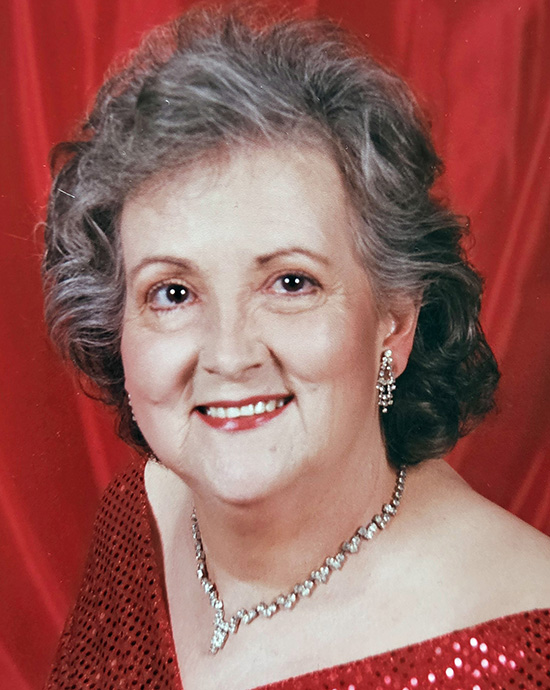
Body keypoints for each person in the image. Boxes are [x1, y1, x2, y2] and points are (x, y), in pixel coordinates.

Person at [42, 5, 550, 689]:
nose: (229, 356)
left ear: (394, 321)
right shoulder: (144, 516)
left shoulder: (524, 643)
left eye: (291, 283)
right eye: (173, 293)